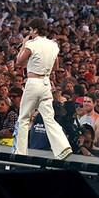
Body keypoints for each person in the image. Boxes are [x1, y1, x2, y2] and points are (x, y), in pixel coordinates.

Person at [14, 17, 72, 160]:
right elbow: (56, 67)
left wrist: (23, 44)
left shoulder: (32, 44)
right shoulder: (53, 45)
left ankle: (20, 153)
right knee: (49, 118)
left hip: (33, 82)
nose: (30, 33)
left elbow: (18, 61)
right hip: (46, 83)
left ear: (35, 30)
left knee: (24, 118)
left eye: (30, 30)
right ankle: (63, 147)